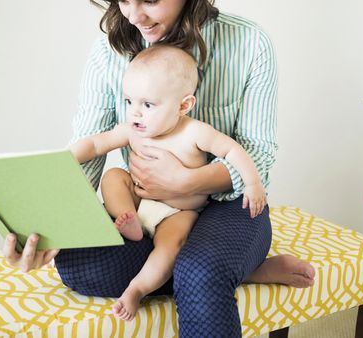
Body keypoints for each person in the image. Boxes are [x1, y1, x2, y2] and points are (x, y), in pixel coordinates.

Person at [3, 0, 315, 337]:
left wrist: (188, 183)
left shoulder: (250, 44)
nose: (135, 16)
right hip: (149, 211)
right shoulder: (108, 51)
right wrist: (49, 224)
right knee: (79, 263)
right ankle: (243, 270)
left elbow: (257, 155)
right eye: (122, 0)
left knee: (200, 270)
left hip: (227, 208)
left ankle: (212, 268)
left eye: (150, 1)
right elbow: (89, 148)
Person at [69, 45, 267, 320]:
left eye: (147, 105)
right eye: (129, 102)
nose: (135, 113)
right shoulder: (134, 131)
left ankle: (137, 289)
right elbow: (94, 144)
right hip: (139, 201)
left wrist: (253, 184)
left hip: (177, 213)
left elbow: (233, 151)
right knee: (114, 177)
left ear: (184, 105)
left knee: (170, 246)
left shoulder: (194, 132)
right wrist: (65, 159)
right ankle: (128, 219)